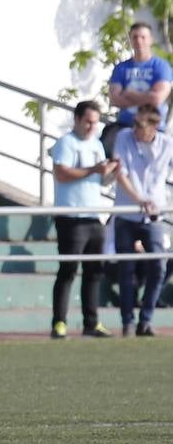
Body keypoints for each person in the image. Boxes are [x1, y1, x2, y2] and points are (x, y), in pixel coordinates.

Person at [49, 100, 118, 339]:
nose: (91, 126)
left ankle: (92, 322)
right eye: (88, 121)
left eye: (95, 122)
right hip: (71, 216)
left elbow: (101, 181)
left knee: (94, 271)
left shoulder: (97, 145)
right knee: (67, 270)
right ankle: (59, 322)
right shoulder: (66, 143)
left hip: (92, 215)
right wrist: (93, 170)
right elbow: (62, 173)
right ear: (77, 119)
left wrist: (113, 173)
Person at [111, 104, 172, 336]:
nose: (135, 128)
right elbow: (121, 174)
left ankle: (145, 319)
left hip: (154, 215)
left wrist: (149, 203)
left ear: (155, 126)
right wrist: (139, 200)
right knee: (126, 268)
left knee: (159, 265)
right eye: (134, 123)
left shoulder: (167, 144)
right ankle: (127, 320)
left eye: (140, 124)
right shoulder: (124, 137)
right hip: (127, 213)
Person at [103, 23, 172, 154]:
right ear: (130, 39)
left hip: (153, 129)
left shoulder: (161, 67)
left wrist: (129, 93)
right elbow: (114, 100)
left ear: (151, 39)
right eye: (135, 37)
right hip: (125, 127)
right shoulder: (121, 68)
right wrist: (146, 97)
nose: (139, 41)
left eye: (143, 37)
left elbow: (157, 99)